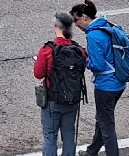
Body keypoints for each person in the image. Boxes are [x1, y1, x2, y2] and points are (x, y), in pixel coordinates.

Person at [71, 0, 125, 156]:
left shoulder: (93, 36)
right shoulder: (106, 26)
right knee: (102, 119)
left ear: (85, 17)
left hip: (106, 86)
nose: (76, 24)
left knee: (107, 124)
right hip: (118, 82)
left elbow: (98, 65)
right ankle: (91, 151)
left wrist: (84, 59)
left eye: (76, 20)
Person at [34, 11, 88, 156]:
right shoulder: (79, 50)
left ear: (56, 26)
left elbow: (38, 74)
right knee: (69, 134)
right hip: (72, 99)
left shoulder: (47, 49)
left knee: (50, 136)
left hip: (53, 100)